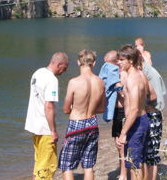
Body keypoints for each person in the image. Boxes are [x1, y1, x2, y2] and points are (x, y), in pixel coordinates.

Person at [58, 50, 105, 180]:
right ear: (94, 63)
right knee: (88, 165)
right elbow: (101, 108)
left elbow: (66, 109)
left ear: (78, 62)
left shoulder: (74, 82)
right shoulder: (100, 82)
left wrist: (76, 107)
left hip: (76, 124)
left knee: (67, 166)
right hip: (92, 124)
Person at [25, 52, 69, 180]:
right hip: (44, 128)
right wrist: (53, 131)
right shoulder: (52, 80)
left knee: (39, 161)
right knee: (48, 164)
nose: (64, 71)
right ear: (59, 64)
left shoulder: (37, 73)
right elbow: (48, 106)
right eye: (64, 68)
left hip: (34, 125)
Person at [115, 45, 151, 180]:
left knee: (133, 164)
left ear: (130, 60)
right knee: (140, 162)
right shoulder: (141, 74)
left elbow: (134, 109)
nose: (118, 62)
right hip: (144, 120)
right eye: (118, 59)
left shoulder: (132, 78)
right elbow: (151, 96)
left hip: (135, 123)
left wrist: (123, 133)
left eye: (121, 59)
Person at [135, 38, 167, 180]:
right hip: (154, 114)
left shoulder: (148, 74)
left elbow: (154, 98)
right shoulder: (150, 71)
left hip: (152, 115)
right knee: (149, 154)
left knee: (150, 155)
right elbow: (163, 93)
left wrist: (142, 106)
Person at [98, 50, 128, 180]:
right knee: (117, 144)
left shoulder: (123, 75)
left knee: (122, 144)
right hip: (116, 113)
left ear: (116, 63)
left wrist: (117, 87)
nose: (106, 68)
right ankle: (123, 170)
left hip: (123, 112)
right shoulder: (113, 74)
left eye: (108, 65)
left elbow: (126, 94)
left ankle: (124, 174)